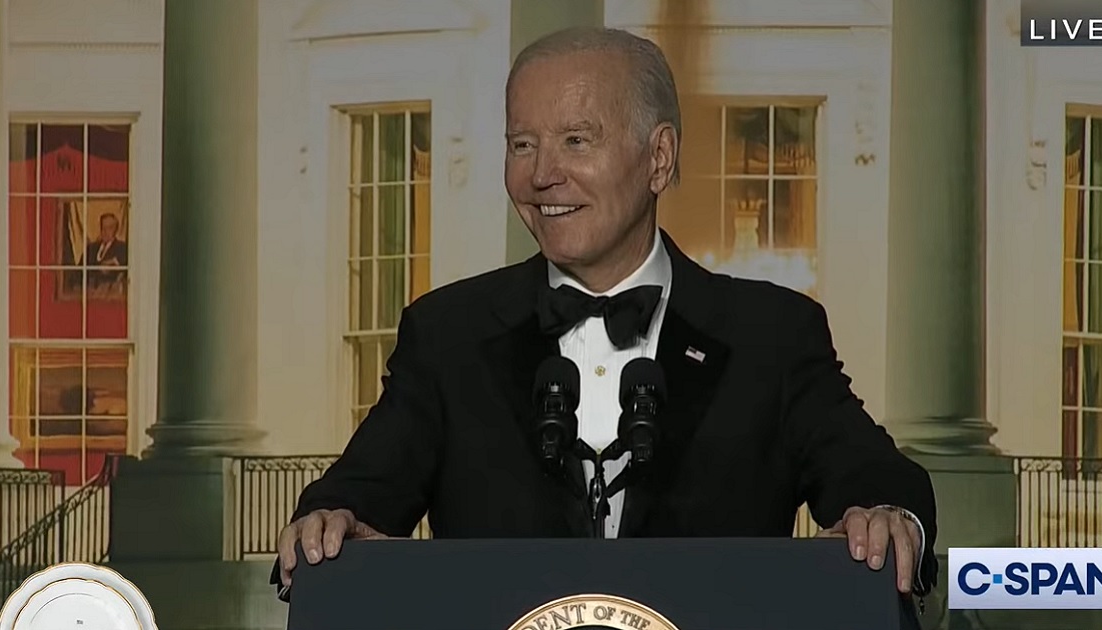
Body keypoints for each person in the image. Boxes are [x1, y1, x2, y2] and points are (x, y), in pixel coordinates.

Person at [274, 26, 938, 613]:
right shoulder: (448, 333)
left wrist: (886, 516)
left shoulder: (771, 333)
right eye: (522, 144)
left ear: (659, 157)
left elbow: (873, 477)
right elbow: (357, 495)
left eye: (574, 140)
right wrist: (330, 525)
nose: (541, 175)